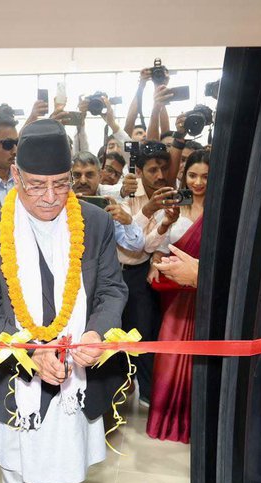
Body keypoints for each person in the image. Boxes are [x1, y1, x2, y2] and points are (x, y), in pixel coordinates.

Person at [0, 119, 128, 483]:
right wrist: (28, 351)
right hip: (17, 381)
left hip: (77, 378)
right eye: (37, 185)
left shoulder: (96, 222)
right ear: (16, 174)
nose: (51, 196)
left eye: (62, 183)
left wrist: (95, 333)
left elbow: (112, 290)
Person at [144, 150, 209, 443]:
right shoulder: (174, 209)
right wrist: (166, 227)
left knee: (201, 360)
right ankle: (165, 422)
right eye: (192, 175)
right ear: (183, 175)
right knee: (169, 356)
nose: (197, 182)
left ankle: (194, 423)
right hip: (174, 294)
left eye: (205, 177)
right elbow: (153, 246)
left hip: (205, 292)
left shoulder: (223, 209)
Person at [119, 139, 182, 405]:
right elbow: (125, 238)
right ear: (140, 171)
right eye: (153, 170)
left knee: (144, 330)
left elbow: (145, 246)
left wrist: (165, 225)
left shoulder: (169, 195)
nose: (159, 176)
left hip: (141, 273)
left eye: (164, 169)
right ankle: (118, 390)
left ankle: (148, 393)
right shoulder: (125, 193)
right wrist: (147, 210)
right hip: (112, 272)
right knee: (114, 332)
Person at [71, 151, 145, 254]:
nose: (83, 181)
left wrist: (128, 221)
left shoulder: (107, 204)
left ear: (100, 176)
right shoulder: (60, 201)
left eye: (89, 175)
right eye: (77, 175)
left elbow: (136, 246)